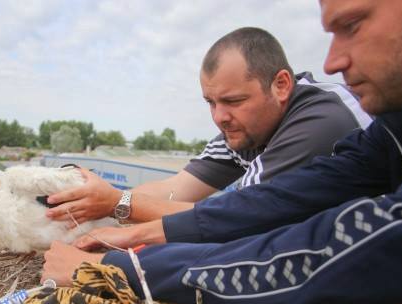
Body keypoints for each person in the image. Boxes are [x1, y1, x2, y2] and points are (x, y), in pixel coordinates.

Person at [43, 0, 402, 304]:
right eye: (211, 102)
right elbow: (272, 202)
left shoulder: (319, 120)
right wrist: (136, 230)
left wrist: (116, 270)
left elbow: (318, 249)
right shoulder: (400, 126)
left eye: (352, 25)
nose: (333, 60)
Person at [44, 27, 370, 225]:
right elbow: (176, 189)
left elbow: (233, 217)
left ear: (282, 85)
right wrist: (97, 202)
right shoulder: (243, 129)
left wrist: (117, 206)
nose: (219, 116)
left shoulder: (318, 122)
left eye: (234, 100)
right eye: (211, 102)